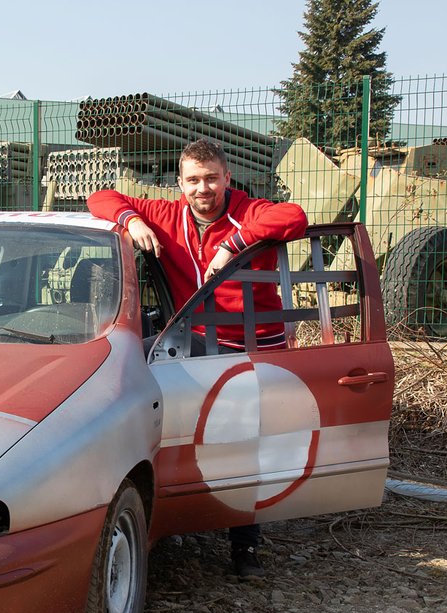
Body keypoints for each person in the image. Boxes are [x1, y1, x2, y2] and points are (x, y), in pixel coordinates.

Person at [87, 139, 308, 579]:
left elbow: (296, 217)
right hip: (196, 345)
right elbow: (100, 198)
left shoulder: (250, 211)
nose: (202, 188)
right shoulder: (167, 215)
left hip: (255, 346)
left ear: (227, 178)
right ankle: (182, 519)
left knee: (246, 446)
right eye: (192, 180)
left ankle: (244, 546)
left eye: (211, 178)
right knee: (189, 436)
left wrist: (236, 243)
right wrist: (130, 220)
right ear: (180, 183)